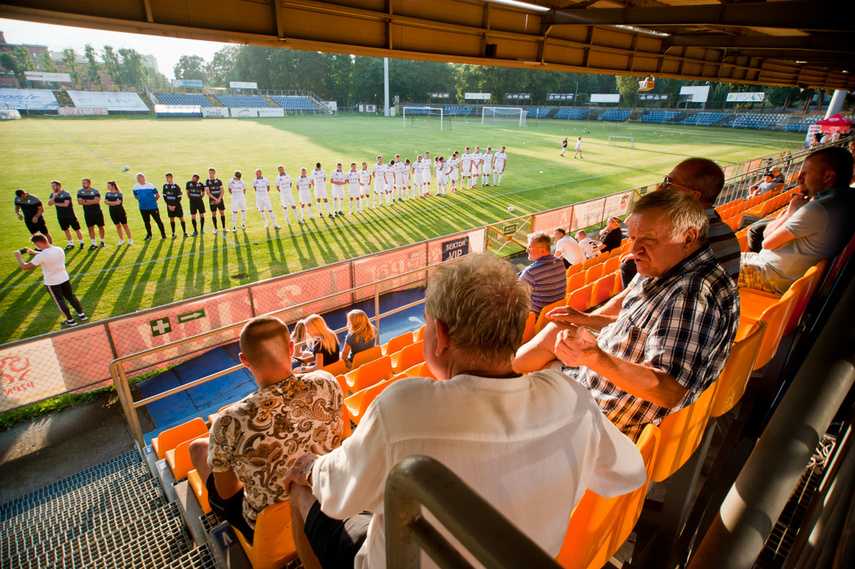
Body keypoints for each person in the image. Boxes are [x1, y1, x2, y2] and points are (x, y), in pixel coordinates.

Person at [283, 252, 646, 569]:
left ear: (440, 335)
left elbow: (336, 495)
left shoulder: (403, 406)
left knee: (300, 490)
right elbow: (628, 473)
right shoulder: (572, 396)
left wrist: (310, 468)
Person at [514, 190, 740, 440]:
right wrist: (586, 319)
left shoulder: (690, 293)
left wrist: (596, 358)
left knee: (522, 384)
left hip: (601, 411)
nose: (634, 250)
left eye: (648, 239)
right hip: (604, 378)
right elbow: (639, 326)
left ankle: (487, 388)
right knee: (557, 330)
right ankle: (487, 380)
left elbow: (670, 390)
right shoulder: (676, 270)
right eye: (632, 237)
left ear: (688, 237)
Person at [188, 316, 343, 544]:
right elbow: (342, 436)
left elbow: (227, 491)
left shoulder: (228, 422)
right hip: (332, 498)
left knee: (197, 448)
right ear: (291, 349)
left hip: (271, 532)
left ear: (244, 360)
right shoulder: (327, 382)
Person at [739, 147, 855, 294]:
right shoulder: (845, 199)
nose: (799, 178)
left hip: (769, 276)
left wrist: (790, 212)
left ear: (828, 176)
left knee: (702, 267)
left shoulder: (818, 209)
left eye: (806, 173)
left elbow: (767, 242)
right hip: (768, 267)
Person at [621, 157, 741, 286]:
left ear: (694, 196)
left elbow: (639, 293)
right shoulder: (725, 231)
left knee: (628, 266)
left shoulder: (680, 239)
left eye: (670, 183)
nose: (661, 188)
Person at [14, 233, 87, 327]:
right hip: (64, 278)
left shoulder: (41, 256)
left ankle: (70, 320)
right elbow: (48, 255)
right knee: (71, 296)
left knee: (59, 301)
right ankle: (81, 315)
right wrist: (34, 252)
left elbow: (25, 267)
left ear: (38, 243)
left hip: (52, 282)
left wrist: (18, 258)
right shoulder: (58, 249)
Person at [519, 231, 567, 317]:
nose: (527, 250)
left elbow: (516, 298)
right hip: (556, 316)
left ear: (542, 250)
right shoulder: (560, 262)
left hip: (535, 320)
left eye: (530, 247)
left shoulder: (530, 272)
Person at [48, 181, 85, 251]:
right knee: (66, 230)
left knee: (77, 229)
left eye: (53, 186)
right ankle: (71, 244)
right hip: (61, 216)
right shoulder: (53, 194)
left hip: (70, 215)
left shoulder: (66, 194)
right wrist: (53, 197)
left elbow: (65, 204)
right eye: (52, 186)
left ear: (58, 186)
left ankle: (81, 243)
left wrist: (55, 203)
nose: (52, 188)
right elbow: (49, 204)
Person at [132, 173, 166, 241]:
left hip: (153, 207)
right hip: (143, 208)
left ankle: (163, 234)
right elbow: (135, 196)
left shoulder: (151, 186)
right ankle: (149, 235)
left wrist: (153, 201)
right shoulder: (135, 187)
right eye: (137, 178)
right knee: (146, 222)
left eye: (139, 178)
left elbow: (157, 195)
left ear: (143, 178)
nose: (138, 180)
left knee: (158, 221)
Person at [76, 179, 106, 250]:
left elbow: (97, 201)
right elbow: (80, 202)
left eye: (84, 183)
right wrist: (92, 201)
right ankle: (94, 243)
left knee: (101, 227)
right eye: (82, 183)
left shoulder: (95, 191)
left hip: (97, 212)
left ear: (89, 183)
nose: (83, 184)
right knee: (90, 228)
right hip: (88, 213)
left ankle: (102, 241)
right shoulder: (80, 191)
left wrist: (85, 200)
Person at [104, 181, 133, 245]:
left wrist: (109, 203)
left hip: (120, 211)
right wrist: (113, 203)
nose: (107, 187)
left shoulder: (119, 193)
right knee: (117, 225)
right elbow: (105, 202)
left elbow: (118, 202)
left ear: (113, 186)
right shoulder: (107, 194)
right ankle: (121, 239)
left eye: (109, 186)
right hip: (112, 211)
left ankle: (130, 239)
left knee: (125, 225)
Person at [162, 172, 188, 238]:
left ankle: (184, 232)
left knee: (181, 218)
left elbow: (179, 197)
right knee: (172, 219)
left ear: (171, 178)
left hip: (177, 206)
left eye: (168, 178)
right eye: (166, 178)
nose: (167, 179)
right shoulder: (165, 186)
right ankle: (173, 233)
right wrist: (169, 205)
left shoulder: (176, 186)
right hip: (169, 206)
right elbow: (165, 197)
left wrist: (174, 206)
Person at [205, 168, 227, 234]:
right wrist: (215, 199)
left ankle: (224, 227)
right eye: (210, 173)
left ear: (215, 173)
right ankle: (215, 228)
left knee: (222, 212)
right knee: (214, 213)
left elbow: (222, 190)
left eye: (212, 173)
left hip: (219, 199)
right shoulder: (207, 182)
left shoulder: (218, 181)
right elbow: (208, 192)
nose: (211, 174)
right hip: (212, 200)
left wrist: (219, 198)